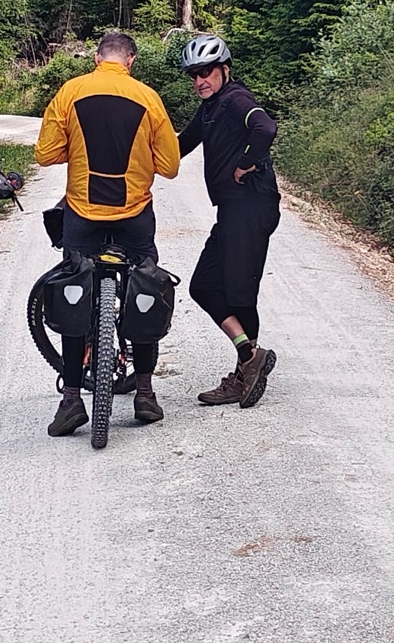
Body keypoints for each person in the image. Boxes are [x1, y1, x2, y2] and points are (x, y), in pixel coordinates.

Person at [35, 31, 181, 436]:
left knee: (75, 291)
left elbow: (45, 154)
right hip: (134, 214)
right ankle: (145, 392)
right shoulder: (148, 98)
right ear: (131, 61)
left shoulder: (70, 91)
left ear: (97, 57)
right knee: (144, 287)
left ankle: (71, 400)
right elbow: (169, 167)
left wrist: (76, 149)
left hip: (83, 213)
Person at [177, 34, 280, 408]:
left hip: (251, 204)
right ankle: (250, 357)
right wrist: (135, 157)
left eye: (206, 72)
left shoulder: (235, 99)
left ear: (224, 69)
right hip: (232, 210)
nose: (199, 80)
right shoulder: (210, 108)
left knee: (238, 291)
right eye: (194, 75)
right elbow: (180, 144)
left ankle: (244, 373)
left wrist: (246, 161)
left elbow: (265, 127)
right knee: (204, 286)